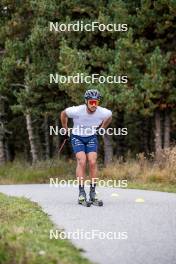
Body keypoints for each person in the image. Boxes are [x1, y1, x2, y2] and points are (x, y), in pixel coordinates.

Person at [60, 89, 112, 205]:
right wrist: (65, 128)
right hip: (77, 137)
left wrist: (102, 128)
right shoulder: (77, 110)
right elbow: (63, 114)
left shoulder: (103, 112)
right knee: (82, 161)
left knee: (93, 162)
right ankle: (81, 193)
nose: (93, 105)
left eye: (96, 102)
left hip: (91, 137)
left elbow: (110, 117)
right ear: (86, 102)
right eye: (91, 102)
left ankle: (93, 193)